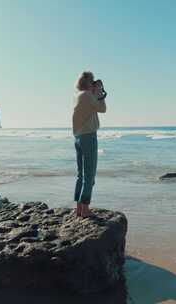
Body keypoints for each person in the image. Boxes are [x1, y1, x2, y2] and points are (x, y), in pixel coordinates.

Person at [72, 71, 107, 217]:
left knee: (81, 175)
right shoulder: (87, 96)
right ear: (88, 83)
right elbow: (102, 109)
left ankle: (79, 208)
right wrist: (99, 91)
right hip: (88, 137)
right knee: (89, 176)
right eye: (92, 81)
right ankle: (85, 210)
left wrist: (95, 91)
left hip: (78, 137)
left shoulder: (78, 96)